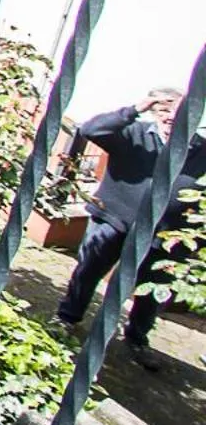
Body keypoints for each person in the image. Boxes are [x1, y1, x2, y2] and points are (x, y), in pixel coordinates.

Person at [54, 89, 206, 372]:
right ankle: (67, 318)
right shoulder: (134, 133)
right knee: (88, 270)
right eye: (165, 111)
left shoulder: (201, 151)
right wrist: (136, 107)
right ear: (155, 111)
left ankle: (136, 338)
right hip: (114, 219)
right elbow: (90, 129)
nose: (172, 118)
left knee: (152, 291)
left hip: (166, 235)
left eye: (181, 113)